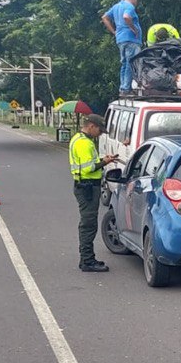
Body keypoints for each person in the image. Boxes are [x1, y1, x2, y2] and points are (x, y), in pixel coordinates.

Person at [69, 114, 119, 273]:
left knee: (88, 224)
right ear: (91, 126)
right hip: (87, 187)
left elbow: (87, 163)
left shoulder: (79, 138)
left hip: (85, 186)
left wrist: (103, 159)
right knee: (88, 225)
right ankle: (87, 261)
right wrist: (105, 162)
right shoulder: (84, 143)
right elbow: (88, 168)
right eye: (99, 130)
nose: (100, 133)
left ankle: (86, 258)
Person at [100, 0, 142, 93]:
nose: (136, 2)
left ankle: (123, 87)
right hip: (131, 39)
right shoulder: (129, 6)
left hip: (120, 39)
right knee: (131, 63)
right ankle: (126, 88)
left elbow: (104, 17)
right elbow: (126, 17)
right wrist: (133, 29)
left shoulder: (116, 7)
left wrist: (114, 32)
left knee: (124, 64)